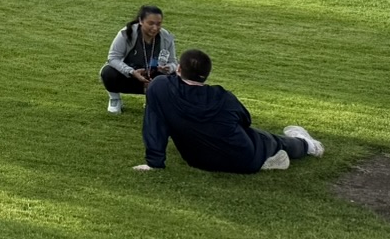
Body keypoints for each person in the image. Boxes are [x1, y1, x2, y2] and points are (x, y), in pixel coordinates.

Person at [138, 49, 323, 173]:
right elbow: (245, 120)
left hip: (200, 161)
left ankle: (275, 156)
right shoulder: (222, 97)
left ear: (178, 69)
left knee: (262, 140)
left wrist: (154, 163)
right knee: (271, 140)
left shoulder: (159, 88)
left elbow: (154, 125)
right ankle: (308, 145)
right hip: (244, 159)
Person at [102, 5, 178, 113]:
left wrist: (168, 68)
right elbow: (113, 58)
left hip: (153, 75)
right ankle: (115, 99)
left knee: (176, 77)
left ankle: (151, 99)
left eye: (158, 24)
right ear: (141, 21)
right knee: (108, 72)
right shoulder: (126, 34)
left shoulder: (166, 37)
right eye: (151, 23)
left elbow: (173, 62)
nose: (155, 28)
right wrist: (131, 72)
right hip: (130, 74)